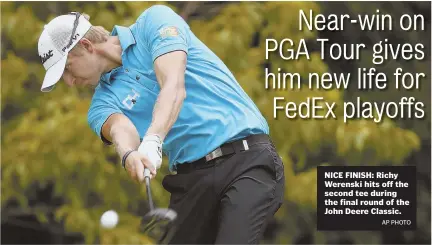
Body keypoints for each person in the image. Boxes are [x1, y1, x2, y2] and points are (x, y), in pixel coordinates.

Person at [37, 5, 285, 244]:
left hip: (247, 159)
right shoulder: (100, 105)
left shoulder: (154, 22)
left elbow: (173, 84)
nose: (69, 82)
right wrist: (130, 154)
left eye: (67, 69)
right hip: (192, 181)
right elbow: (119, 128)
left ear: (86, 45)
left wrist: (153, 139)